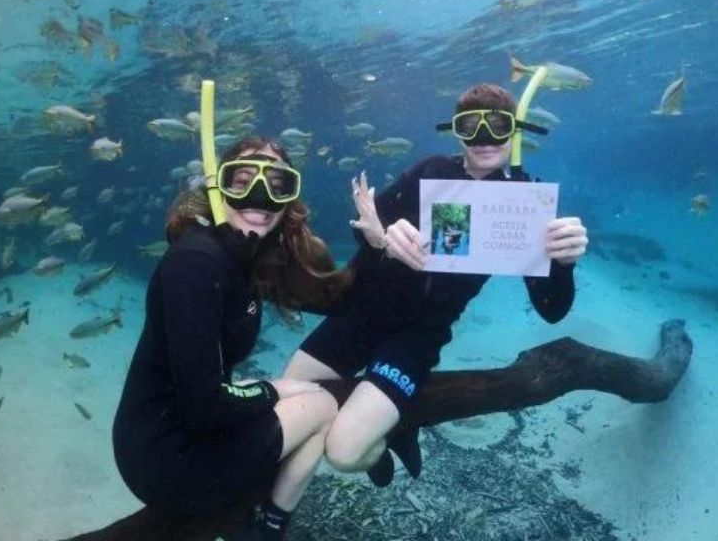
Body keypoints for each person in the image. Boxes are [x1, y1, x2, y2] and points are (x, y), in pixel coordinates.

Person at [284, 83, 589, 487]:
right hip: (363, 314)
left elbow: (552, 310)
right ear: (457, 132)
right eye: (471, 127)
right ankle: (379, 422)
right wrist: (378, 236)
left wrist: (563, 263)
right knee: (288, 397)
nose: (483, 139)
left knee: (345, 452)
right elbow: (366, 234)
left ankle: (391, 428)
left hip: (418, 337)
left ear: (513, 131)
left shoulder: (523, 202)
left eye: (496, 127)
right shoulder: (429, 172)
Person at [112, 136, 352, 540]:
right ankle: (269, 528)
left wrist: (379, 249)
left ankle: (252, 508)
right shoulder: (197, 263)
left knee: (293, 394)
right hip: (165, 457)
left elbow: (330, 298)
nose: (259, 198)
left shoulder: (244, 257)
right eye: (241, 182)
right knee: (324, 404)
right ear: (216, 187)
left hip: (180, 427)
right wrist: (272, 389)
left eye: (278, 186)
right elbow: (205, 405)